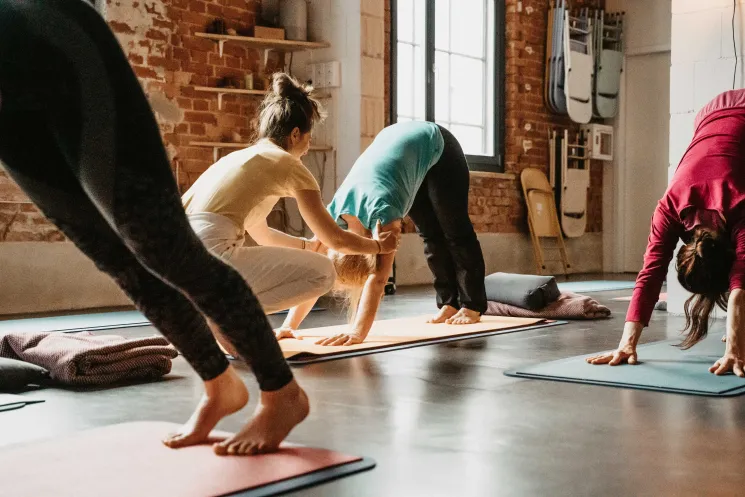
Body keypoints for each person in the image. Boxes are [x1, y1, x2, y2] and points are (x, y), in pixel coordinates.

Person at [0, 0, 304, 455]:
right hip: (9, 111)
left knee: (164, 247)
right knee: (115, 259)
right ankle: (220, 385)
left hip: (51, 45)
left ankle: (283, 393)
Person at [182, 73, 400, 353]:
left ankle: (214, 309)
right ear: (295, 134)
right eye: (308, 138)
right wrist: (378, 246)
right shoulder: (290, 166)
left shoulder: (238, 159)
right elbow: (337, 241)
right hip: (212, 251)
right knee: (323, 272)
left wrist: (306, 246)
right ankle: (222, 312)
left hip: (175, 255)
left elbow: (261, 234)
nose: (308, 147)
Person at [275, 121, 487, 346]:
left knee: (455, 230)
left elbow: (378, 279)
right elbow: (316, 273)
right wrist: (289, 325)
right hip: (400, 145)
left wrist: (358, 332)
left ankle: (472, 306)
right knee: (430, 233)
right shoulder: (332, 216)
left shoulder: (383, 213)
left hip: (436, 143)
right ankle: (449, 303)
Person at [587, 89, 745, 377]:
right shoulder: (670, 207)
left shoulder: (737, 206)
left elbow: (738, 285)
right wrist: (626, 344)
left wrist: (734, 350)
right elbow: (650, 273)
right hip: (710, 115)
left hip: (718, 111)